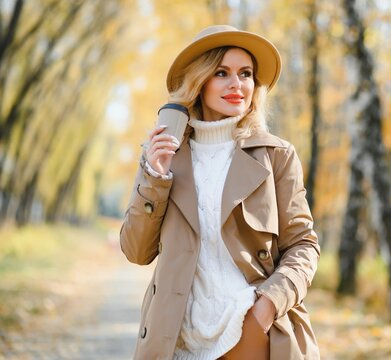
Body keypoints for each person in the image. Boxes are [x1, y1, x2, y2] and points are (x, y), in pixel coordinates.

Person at [120, 25, 320, 360]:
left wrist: (267, 307)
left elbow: (304, 244)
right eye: (221, 72)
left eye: (246, 74)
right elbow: (136, 251)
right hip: (177, 339)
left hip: (250, 332)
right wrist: (156, 174)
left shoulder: (276, 156)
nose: (237, 85)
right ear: (199, 81)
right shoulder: (164, 156)